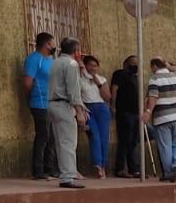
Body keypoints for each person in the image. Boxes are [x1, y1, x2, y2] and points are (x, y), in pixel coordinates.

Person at [47, 37, 85, 189]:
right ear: (76, 52)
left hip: (51, 103)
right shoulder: (71, 64)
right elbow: (73, 90)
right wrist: (79, 112)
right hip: (63, 105)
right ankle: (68, 176)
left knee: (60, 141)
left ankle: (65, 174)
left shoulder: (54, 62)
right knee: (68, 142)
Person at [22, 32, 58, 180]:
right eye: (52, 43)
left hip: (52, 102)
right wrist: (32, 95)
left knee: (52, 138)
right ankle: (38, 171)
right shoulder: (33, 59)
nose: (54, 46)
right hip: (39, 102)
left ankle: (50, 168)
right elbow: (27, 82)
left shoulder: (50, 60)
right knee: (43, 136)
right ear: (46, 44)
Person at [145, 57, 176, 182]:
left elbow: (153, 96)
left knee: (165, 146)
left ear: (154, 66)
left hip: (162, 117)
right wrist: (168, 65)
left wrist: (148, 111)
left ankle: (168, 172)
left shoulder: (154, 79)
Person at [80, 54, 110, 179]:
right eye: (90, 65)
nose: (93, 68)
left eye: (95, 66)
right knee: (94, 136)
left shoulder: (101, 79)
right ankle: (97, 164)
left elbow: (107, 97)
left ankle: (103, 167)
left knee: (104, 138)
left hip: (101, 108)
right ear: (86, 65)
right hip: (87, 109)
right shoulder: (80, 79)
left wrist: (97, 82)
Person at [110, 55, 140, 177]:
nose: (135, 66)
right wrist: (113, 106)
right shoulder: (120, 73)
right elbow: (114, 89)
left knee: (133, 142)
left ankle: (133, 168)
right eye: (133, 63)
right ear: (126, 64)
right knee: (124, 141)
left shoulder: (135, 77)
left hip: (135, 113)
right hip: (125, 112)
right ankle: (120, 168)